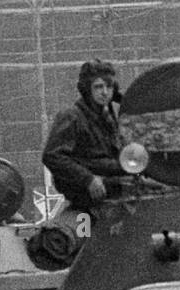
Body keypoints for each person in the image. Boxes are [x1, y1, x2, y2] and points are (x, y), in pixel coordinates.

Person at [43, 58, 126, 212]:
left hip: (116, 184)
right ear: (87, 89)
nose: (105, 92)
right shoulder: (72, 117)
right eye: (98, 87)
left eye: (109, 86)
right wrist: (88, 179)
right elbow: (52, 156)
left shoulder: (109, 119)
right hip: (87, 192)